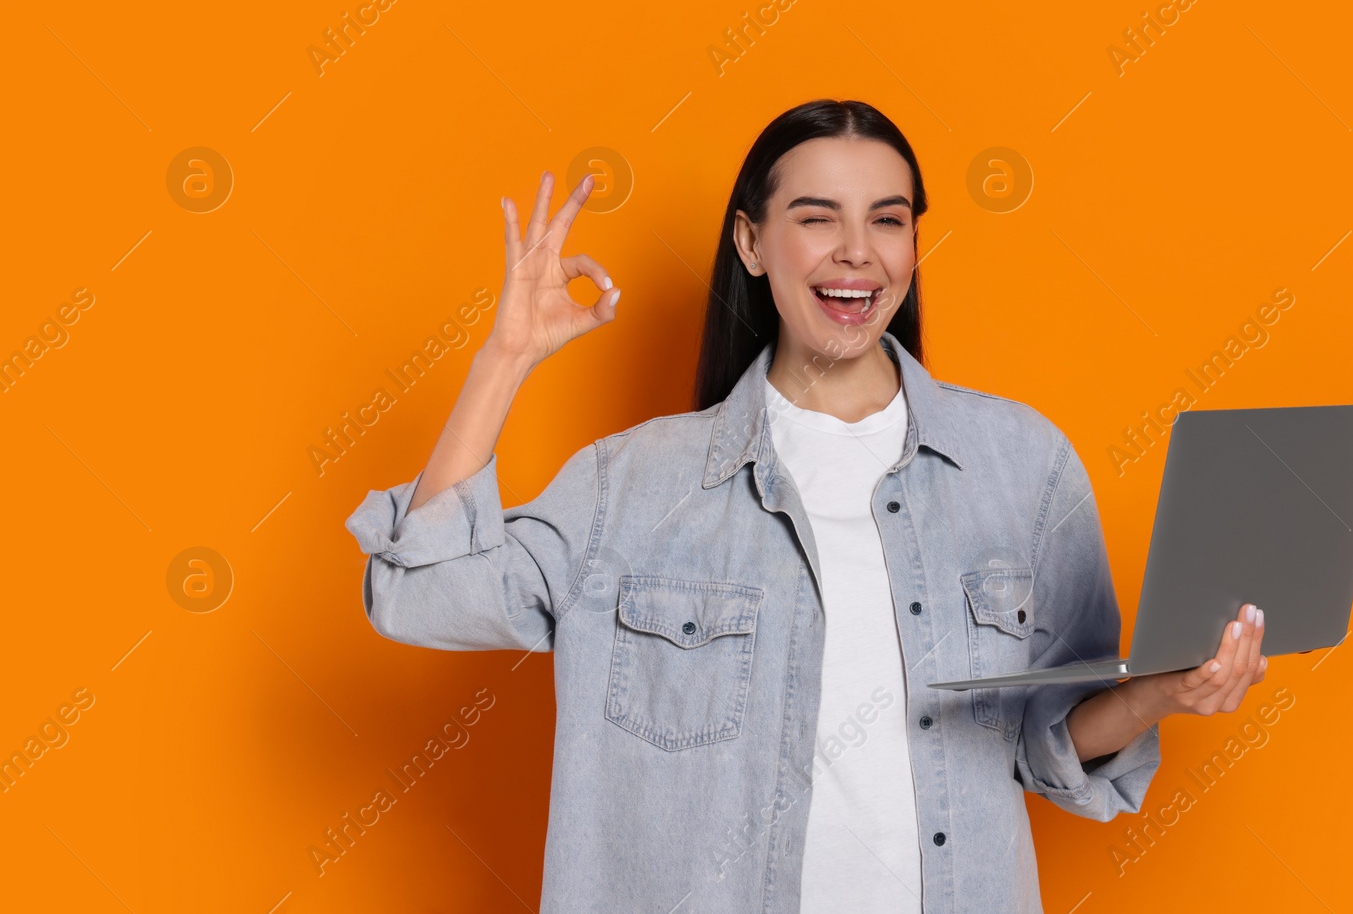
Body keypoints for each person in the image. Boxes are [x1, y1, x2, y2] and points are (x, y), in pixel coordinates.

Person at [345, 99, 1267, 914]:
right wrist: (503, 358)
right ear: (751, 243)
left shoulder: (1020, 465)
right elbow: (419, 595)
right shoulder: (632, 485)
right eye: (816, 218)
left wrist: (1162, 692)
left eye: (888, 219)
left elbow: (1049, 744)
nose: (857, 250)